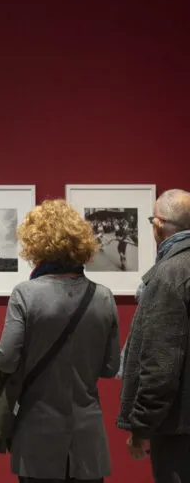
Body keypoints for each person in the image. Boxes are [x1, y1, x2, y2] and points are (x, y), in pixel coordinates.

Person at [0, 199, 120, 482]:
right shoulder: (103, 296)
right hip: (86, 436)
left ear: (35, 243)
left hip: (38, 433)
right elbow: (111, 368)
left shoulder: (26, 294)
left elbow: (6, 360)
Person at [117, 188, 190, 482]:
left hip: (178, 429)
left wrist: (141, 426)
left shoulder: (169, 274)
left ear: (158, 224)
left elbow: (161, 363)